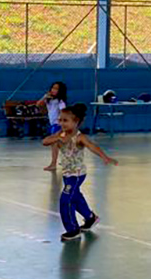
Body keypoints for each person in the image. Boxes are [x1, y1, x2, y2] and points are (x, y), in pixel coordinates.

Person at [42, 103, 118, 241]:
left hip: (76, 175)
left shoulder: (79, 137)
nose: (62, 123)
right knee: (75, 197)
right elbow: (45, 141)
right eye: (60, 120)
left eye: (65, 120)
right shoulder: (60, 133)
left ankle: (72, 229)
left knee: (65, 200)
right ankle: (90, 218)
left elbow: (92, 146)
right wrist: (57, 138)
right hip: (66, 174)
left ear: (76, 122)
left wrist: (104, 157)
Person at [38, 81, 68, 172]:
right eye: (53, 88)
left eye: (56, 89)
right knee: (60, 144)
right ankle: (66, 161)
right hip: (52, 124)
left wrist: (61, 123)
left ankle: (53, 164)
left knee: (54, 144)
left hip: (57, 125)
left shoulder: (60, 101)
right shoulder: (49, 100)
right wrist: (45, 97)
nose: (54, 90)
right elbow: (38, 104)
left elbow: (63, 112)